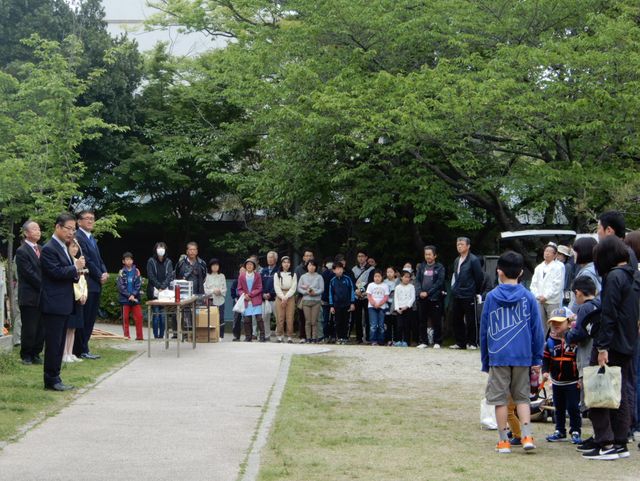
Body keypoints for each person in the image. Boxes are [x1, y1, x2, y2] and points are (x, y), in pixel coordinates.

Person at [580, 236, 640, 460]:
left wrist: (602, 346)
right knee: (620, 392)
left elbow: (609, 314)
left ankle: (604, 442)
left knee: (598, 389)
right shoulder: (633, 275)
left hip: (611, 343)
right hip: (627, 342)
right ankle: (620, 442)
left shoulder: (614, 277)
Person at [480, 250, 544, 453]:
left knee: (499, 400)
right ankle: (526, 437)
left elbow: (484, 330)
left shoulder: (491, 297)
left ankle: (503, 440)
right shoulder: (528, 297)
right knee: (522, 398)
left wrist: (485, 359)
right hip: (523, 356)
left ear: (499, 272)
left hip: (498, 355)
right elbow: (537, 330)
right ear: (522, 273)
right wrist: (537, 357)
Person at [40, 213, 86, 391]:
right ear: (57, 227)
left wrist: (76, 272)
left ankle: (56, 376)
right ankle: (51, 379)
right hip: (53, 303)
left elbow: (66, 273)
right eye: (68, 229)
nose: (71, 233)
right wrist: (75, 267)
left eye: (73, 230)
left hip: (64, 302)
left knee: (59, 343)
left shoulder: (63, 247)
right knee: (53, 343)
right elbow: (55, 272)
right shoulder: (49, 248)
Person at [543, 307, 582, 444]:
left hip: (572, 381)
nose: (555, 325)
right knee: (558, 407)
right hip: (557, 382)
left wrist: (580, 378)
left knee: (573, 407)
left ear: (569, 322)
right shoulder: (550, 341)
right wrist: (545, 371)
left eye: (559, 322)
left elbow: (579, 360)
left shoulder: (575, 341)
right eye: (553, 322)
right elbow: (546, 358)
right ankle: (559, 430)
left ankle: (576, 430)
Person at [74, 209, 107, 360]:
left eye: (92, 218)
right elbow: (87, 260)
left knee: (91, 317)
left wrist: (105, 272)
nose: (90, 221)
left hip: (96, 283)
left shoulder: (91, 238)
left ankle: (84, 347)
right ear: (79, 221)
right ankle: (81, 349)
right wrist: (99, 275)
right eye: (87, 218)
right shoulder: (78, 237)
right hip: (87, 282)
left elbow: (99, 259)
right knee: (84, 317)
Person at [566, 276, 600, 417]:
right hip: (599, 349)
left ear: (578, 293)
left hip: (587, 352)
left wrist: (567, 334)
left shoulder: (584, 308)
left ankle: (588, 411)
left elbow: (580, 333)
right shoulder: (599, 304)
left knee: (586, 382)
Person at [15, 220, 44, 365]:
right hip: (29, 296)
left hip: (43, 296)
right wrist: (45, 286)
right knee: (30, 327)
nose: (38, 231)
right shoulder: (22, 251)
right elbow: (29, 273)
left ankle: (36, 353)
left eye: (38, 229)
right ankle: (26, 355)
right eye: (34, 229)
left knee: (41, 327)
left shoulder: (42, 248)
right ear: (26, 233)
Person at [450, 237, 484, 349]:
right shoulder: (456, 260)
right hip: (457, 293)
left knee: (470, 319)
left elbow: (479, 277)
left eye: (462, 244)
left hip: (469, 293)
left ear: (468, 246)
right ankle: (460, 342)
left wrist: (475, 291)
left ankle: (472, 342)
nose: (459, 246)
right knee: (456, 318)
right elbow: (455, 276)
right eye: (457, 244)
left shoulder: (473, 260)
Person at [415, 245, 445, 349]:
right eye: (426, 254)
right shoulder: (421, 267)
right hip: (422, 298)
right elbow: (417, 281)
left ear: (435, 255)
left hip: (434, 298)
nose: (427, 256)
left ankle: (437, 341)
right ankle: (424, 341)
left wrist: (428, 292)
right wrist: (420, 292)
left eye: (429, 254)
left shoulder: (440, 267)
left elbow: (439, 282)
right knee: (422, 321)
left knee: (436, 321)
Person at [529, 242, 565, 330]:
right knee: (541, 325)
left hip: (553, 301)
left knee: (554, 325)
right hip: (540, 301)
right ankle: (543, 343)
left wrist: (546, 296)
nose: (547, 253)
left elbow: (557, 285)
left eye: (550, 251)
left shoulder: (559, 267)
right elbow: (533, 284)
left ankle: (555, 342)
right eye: (546, 251)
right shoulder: (539, 267)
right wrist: (537, 295)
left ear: (555, 254)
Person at [63, 239, 87, 363]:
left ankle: (70, 352)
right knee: (68, 327)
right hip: (72, 297)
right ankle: (64, 353)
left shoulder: (77, 262)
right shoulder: (68, 262)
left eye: (76, 247)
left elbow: (83, 281)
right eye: (72, 246)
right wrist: (79, 295)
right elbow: (72, 283)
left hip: (80, 298)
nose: (75, 249)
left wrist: (84, 294)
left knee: (74, 328)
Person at [146, 242, 174, 339]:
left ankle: (162, 335)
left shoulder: (169, 262)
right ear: (155, 249)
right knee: (156, 315)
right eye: (159, 247)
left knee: (163, 316)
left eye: (162, 247)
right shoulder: (151, 261)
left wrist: (163, 287)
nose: (161, 249)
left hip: (165, 292)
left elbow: (169, 275)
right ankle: (156, 336)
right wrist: (159, 286)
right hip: (154, 291)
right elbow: (150, 275)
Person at [568, 237, 600, 311]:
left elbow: (580, 300)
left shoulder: (586, 274)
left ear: (583, 252)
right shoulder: (596, 268)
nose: (573, 254)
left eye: (575, 251)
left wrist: (570, 316)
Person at [117, 252, 144, 341]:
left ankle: (140, 336)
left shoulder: (137, 271)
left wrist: (133, 294)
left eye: (130, 259)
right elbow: (121, 287)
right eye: (126, 260)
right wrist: (129, 295)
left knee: (139, 316)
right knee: (125, 318)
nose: (128, 261)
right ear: (123, 261)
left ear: (132, 261)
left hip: (135, 298)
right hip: (125, 299)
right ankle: (126, 336)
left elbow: (138, 284)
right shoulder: (121, 272)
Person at [237, 259, 265, 342]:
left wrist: (250, 294)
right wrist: (244, 295)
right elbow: (239, 289)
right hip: (246, 300)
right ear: (245, 266)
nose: (249, 266)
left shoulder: (257, 275)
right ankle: (248, 337)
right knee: (247, 319)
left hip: (255, 299)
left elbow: (259, 288)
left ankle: (262, 336)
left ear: (254, 266)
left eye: (251, 264)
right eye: (247, 264)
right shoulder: (241, 276)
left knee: (259, 318)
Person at [297, 259, 324, 343]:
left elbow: (322, 289)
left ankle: (314, 337)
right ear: (307, 266)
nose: (311, 267)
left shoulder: (319, 277)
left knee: (314, 320)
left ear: (315, 267)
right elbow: (299, 288)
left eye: (313, 265)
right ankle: (308, 337)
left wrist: (314, 292)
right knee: (307, 320)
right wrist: (306, 292)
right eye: (309, 265)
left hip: (316, 301)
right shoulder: (303, 276)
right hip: (306, 300)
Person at [329, 262, 355, 345]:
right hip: (336, 305)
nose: (339, 270)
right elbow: (331, 294)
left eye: (341, 268)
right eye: (337, 269)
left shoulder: (347, 279)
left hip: (347, 304)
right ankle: (339, 337)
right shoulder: (332, 281)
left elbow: (352, 291)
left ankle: (345, 337)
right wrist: (331, 305)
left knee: (346, 322)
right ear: (334, 270)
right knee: (337, 322)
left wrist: (352, 303)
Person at [352, 250, 375, 344]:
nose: (360, 258)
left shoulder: (371, 269)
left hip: (366, 296)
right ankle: (359, 337)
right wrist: (356, 291)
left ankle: (369, 337)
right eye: (359, 256)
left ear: (366, 257)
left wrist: (361, 291)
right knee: (357, 317)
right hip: (356, 296)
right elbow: (352, 282)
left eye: (362, 256)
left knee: (368, 317)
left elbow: (370, 282)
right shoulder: (354, 269)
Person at [274, 256, 297, 343]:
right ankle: (280, 335)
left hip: (290, 296)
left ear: (290, 264)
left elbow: (293, 287)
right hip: (280, 296)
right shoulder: (277, 274)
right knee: (280, 316)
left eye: (288, 262)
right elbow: (276, 287)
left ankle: (290, 336)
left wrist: (286, 297)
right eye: (284, 262)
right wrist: (282, 297)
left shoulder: (293, 274)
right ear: (282, 264)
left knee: (290, 317)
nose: (286, 264)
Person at [204, 258, 227, 338]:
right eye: (213, 265)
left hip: (220, 300)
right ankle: (211, 335)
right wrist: (213, 291)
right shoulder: (207, 276)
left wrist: (220, 291)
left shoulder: (222, 276)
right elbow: (205, 289)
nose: (215, 267)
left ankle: (221, 336)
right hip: (210, 300)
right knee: (211, 318)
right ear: (210, 266)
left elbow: (225, 289)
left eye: (217, 265)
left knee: (221, 318)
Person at [366, 270, 389, 346]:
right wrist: (373, 303)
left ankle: (381, 340)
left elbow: (386, 297)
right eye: (375, 276)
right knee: (373, 325)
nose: (377, 278)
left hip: (382, 307)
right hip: (372, 307)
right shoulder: (370, 285)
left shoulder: (385, 285)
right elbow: (369, 295)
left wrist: (380, 304)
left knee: (381, 325)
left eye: (379, 276)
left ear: (382, 277)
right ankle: (373, 340)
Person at [260, 251, 279, 341]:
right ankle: (267, 336)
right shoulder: (263, 271)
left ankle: (279, 336)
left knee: (278, 318)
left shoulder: (278, 270)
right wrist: (263, 294)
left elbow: (278, 285)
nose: (269, 259)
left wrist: (271, 294)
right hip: (264, 299)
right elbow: (260, 284)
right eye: (268, 257)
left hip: (275, 299)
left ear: (275, 259)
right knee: (264, 318)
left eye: (271, 257)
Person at [393, 270, 415, 347]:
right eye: (405, 277)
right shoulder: (398, 287)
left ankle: (406, 341)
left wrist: (407, 306)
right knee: (399, 326)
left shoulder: (411, 287)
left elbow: (412, 298)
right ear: (401, 277)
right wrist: (397, 308)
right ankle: (398, 340)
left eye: (408, 277)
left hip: (408, 309)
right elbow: (396, 298)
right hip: (399, 310)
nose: (407, 279)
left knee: (407, 326)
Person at [321, 258, 336, 343]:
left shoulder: (326, 274)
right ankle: (328, 336)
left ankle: (330, 336)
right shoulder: (324, 274)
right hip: (327, 300)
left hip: (331, 300)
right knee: (327, 319)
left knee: (330, 320)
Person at [383, 267, 398, 346]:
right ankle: (388, 340)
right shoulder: (384, 282)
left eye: (391, 272)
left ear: (395, 273)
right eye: (388, 272)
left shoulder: (398, 281)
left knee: (395, 323)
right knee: (387, 324)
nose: (389, 273)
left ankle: (395, 340)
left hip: (395, 305)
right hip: (386, 305)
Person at [230, 264, 245, 341]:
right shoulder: (236, 281)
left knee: (247, 318)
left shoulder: (248, 279)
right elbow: (232, 290)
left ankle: (249, 335)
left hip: (246, 300)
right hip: (237, 301)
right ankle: (236, 335)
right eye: (241, 270)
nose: (242, 272)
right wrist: (235, 299)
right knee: (236, 319)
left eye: (244, 270)